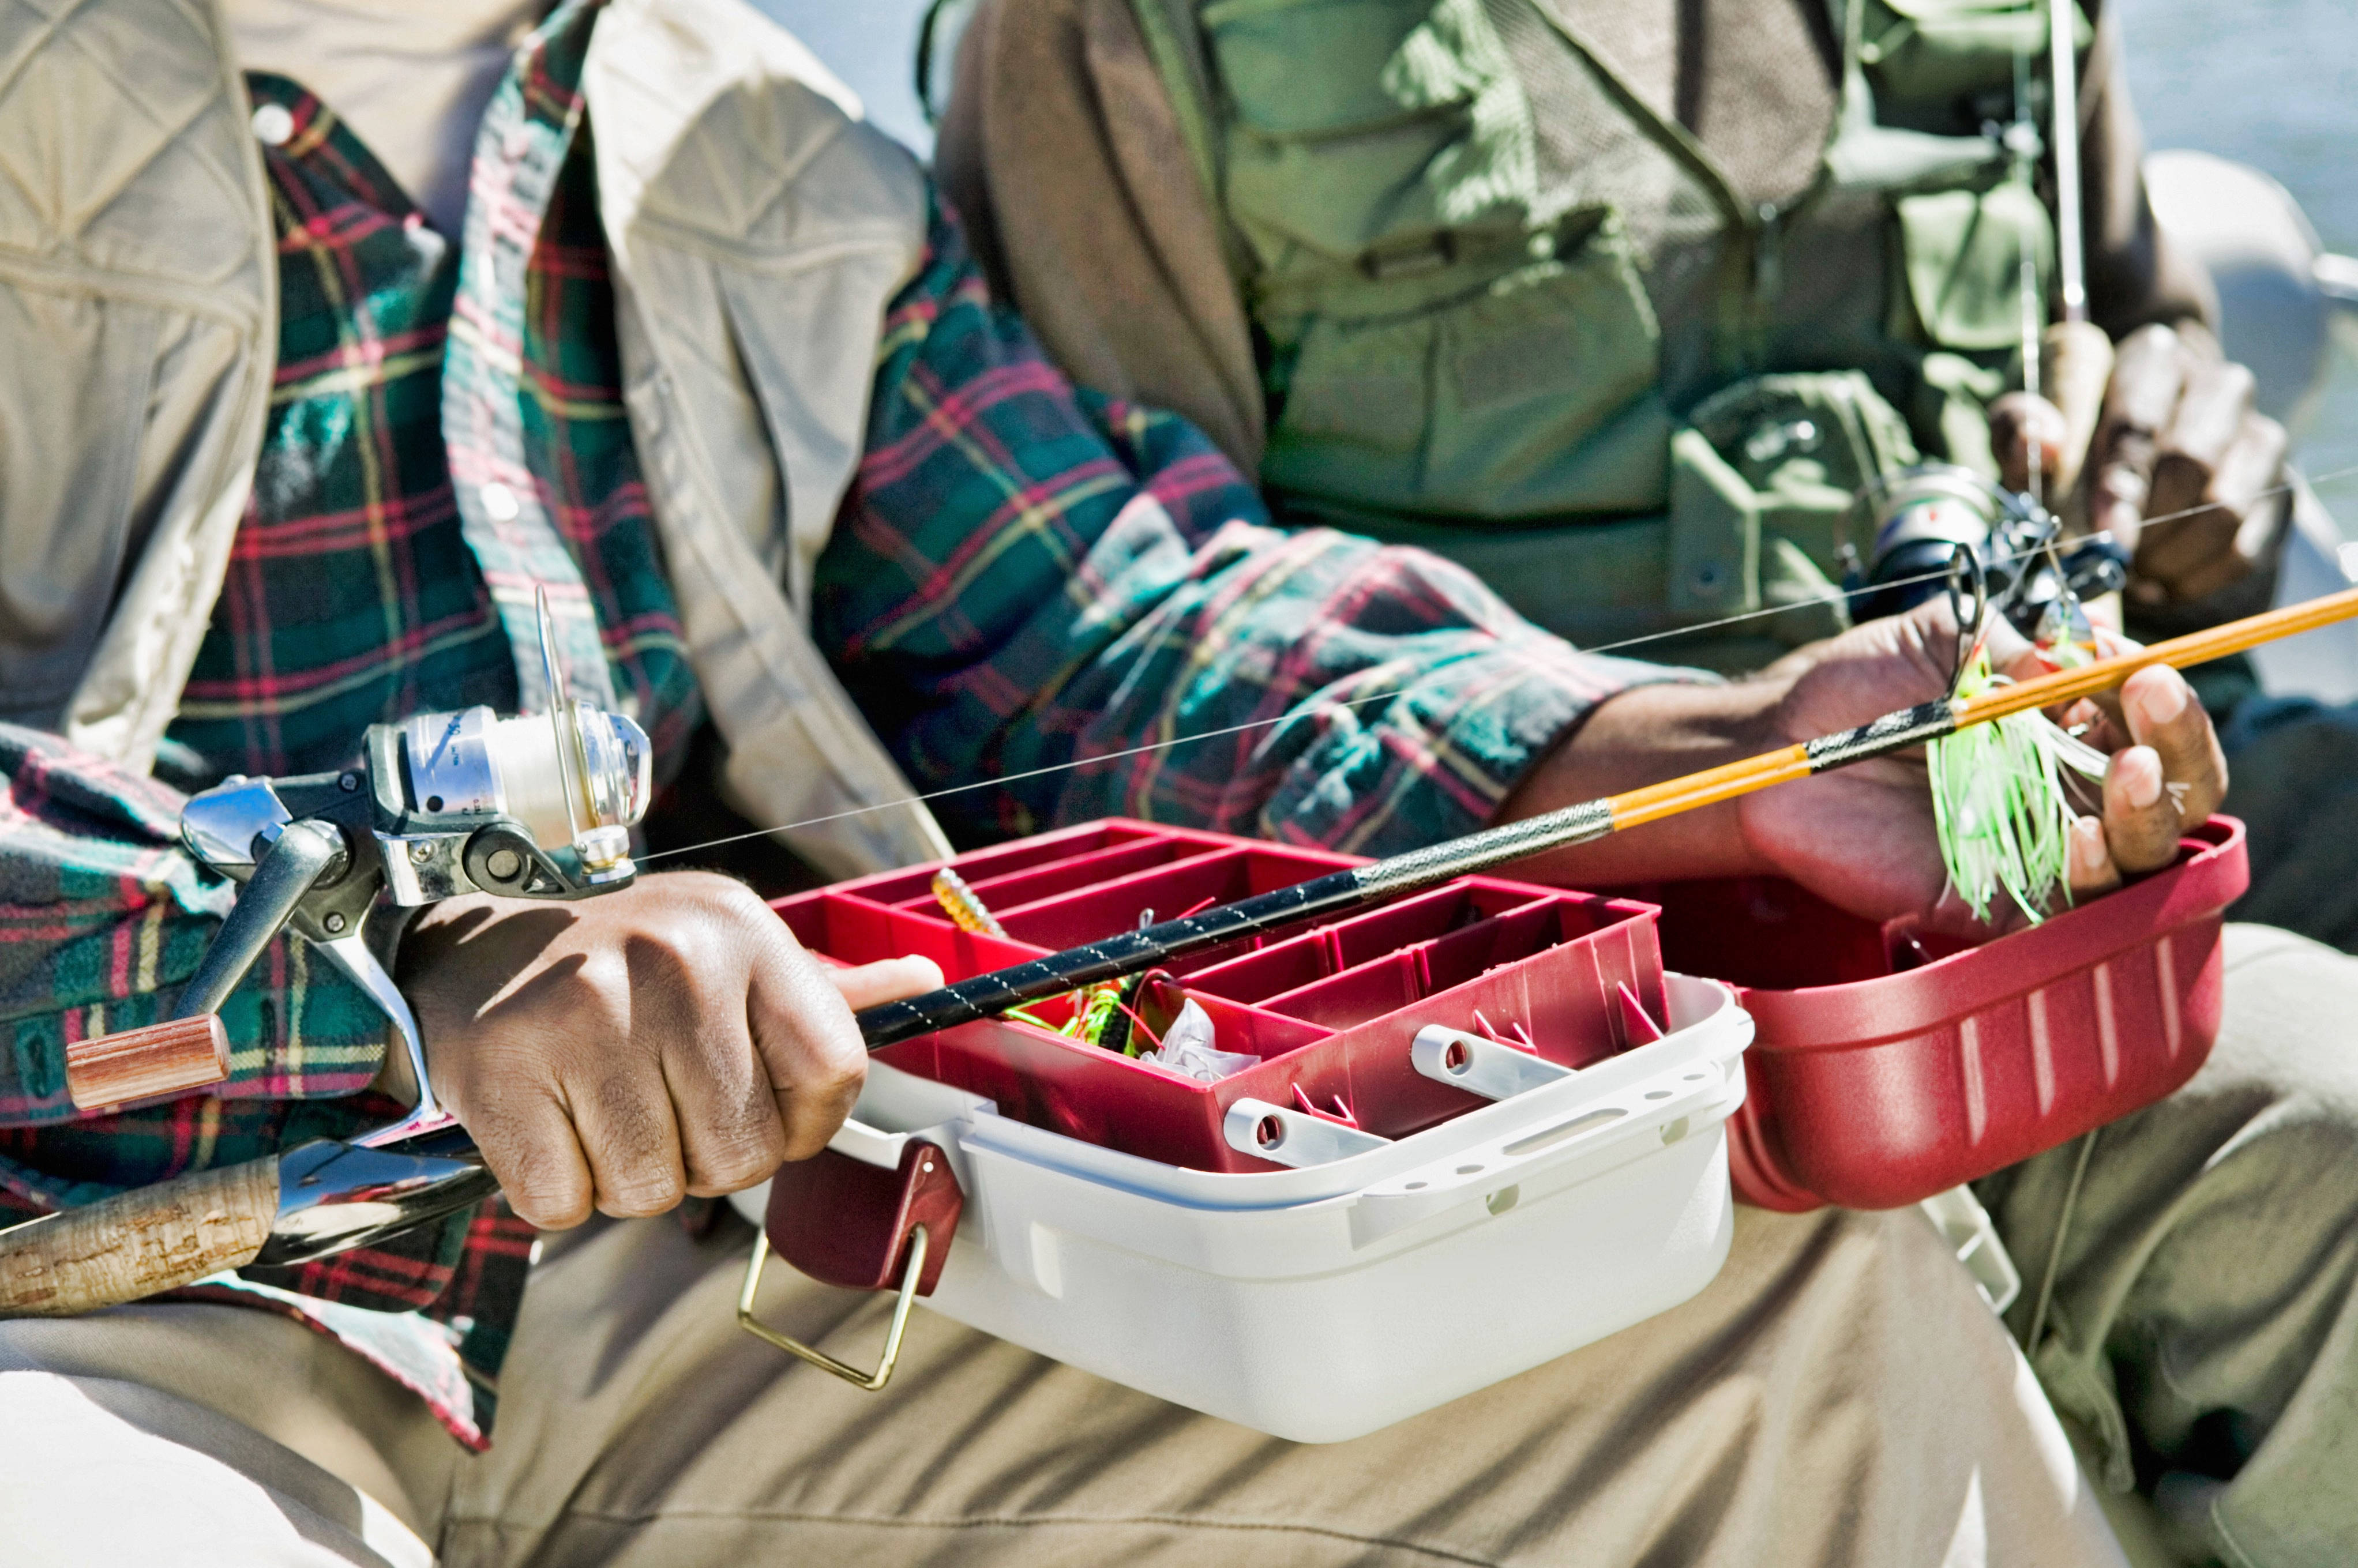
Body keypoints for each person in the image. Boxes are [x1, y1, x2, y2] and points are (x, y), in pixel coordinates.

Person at [0, 3, 2344, 1567]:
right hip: (129, 1318)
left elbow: (1111, 616)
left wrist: (1693, 756)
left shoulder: (739, 130)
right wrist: (422, 934)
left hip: (723, 1288)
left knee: (1793, 1333)